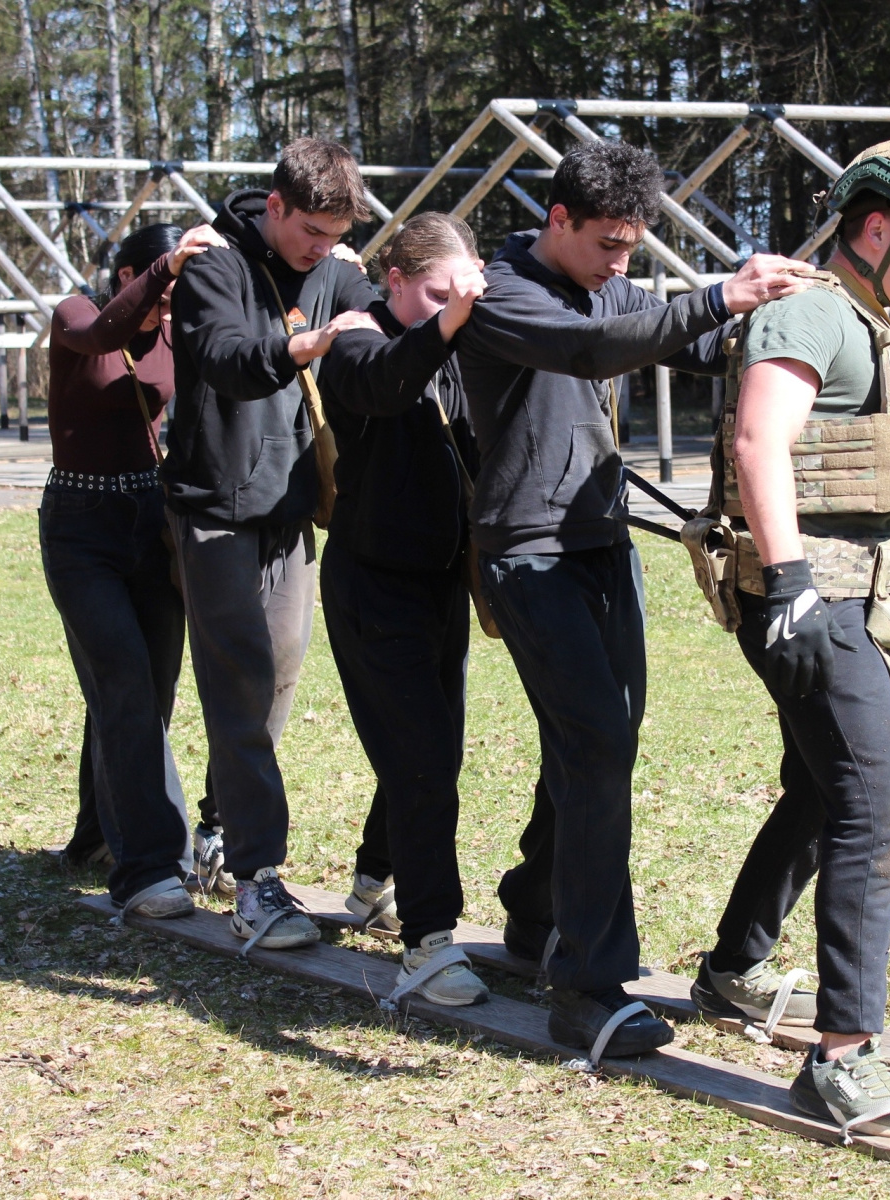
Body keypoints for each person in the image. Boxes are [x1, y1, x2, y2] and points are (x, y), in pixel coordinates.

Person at [451, 140, 812, 1057]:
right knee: (597, 748)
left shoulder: (604, 285)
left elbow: (687, 341)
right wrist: (721, 293)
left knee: (598, 745)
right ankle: (587, 986)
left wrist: (785, 319)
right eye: (608, 244)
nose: (620, 265)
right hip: (526, 555)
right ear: (557, 219)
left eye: (632, 249)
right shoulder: (501, 294)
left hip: (602, 547)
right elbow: (588, 349)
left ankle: (535, 910)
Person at [687, 140, 890, 1139]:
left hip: (857, 599)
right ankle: (840, 1062)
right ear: (875, 228)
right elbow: (757, 440)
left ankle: (732, 969)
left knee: (823, 792)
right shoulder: (812, 313)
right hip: (808, 600)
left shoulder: (872, 325)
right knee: (876, 808)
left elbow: (869, 488)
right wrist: (787, 588)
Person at [165, 137, 384, 951]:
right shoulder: (215, 264)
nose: (320, 250)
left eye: (335, 237)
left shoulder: (333, 268)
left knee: (278, 678)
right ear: (276, 205)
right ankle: (258, 880)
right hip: (213, 508)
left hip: (288, 511)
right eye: (310, 232)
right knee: (240, 680)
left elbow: (385, 316)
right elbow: (223, 358)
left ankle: (218, 828)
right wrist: (306, 345)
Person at [319, 212, 492, 1005]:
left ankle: (372, 879)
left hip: (438, 581)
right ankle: (427, 940)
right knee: (422, 761)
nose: (451, 309)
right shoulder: (357, 338)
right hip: (372, 583)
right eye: (435, 295)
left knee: (432, 751)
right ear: (394, 282)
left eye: (460, 295)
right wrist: (451, 322)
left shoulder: (454, 343)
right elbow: (386, 382)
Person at [41, 221, 225, 918]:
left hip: (152, 523)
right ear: (130, 276)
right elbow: (99, 337)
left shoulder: (174, 332)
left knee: (149, 691)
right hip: (79, 528)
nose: (172, 306)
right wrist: (165, 269)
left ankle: (97, 835)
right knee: (121, 678)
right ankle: (154, 865)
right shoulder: (75, 314)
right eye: (166, 289)